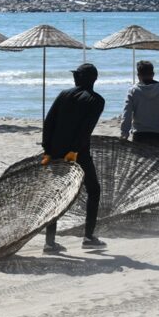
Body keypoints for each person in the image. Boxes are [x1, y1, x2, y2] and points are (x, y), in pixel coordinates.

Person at [41, 62, 106, 253]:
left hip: (56, 152)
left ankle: (50, 242)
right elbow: (86, 129)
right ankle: (88, 237)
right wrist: (75, 150)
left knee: (56, 195)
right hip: (78, 153)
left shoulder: (64, 95)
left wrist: (47, 149)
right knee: (93, 190)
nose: (74, 78)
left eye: (77, 75)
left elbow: (49, 122)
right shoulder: (96, 100)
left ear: (83, 78)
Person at [121, 60, 159, 149]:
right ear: (153, 74)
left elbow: (127, 114)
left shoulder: (133, 91)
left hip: (140, 135)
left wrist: (124, 134)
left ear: (138, 76)